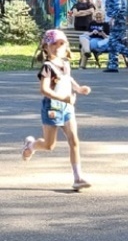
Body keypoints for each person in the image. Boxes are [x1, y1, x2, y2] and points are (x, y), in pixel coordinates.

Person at [21, 29, 93, 191]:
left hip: (67, 107)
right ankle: (31, 145)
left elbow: (68, 79)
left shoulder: (65, 64)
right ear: (46, 47)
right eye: (54, 44)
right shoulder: (47, 67)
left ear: (66, 45)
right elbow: (44, 90)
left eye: (61, 43)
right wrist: (63, 98)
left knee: (74, 141)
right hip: (52, 108)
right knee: (49, 145)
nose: (58, 47)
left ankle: (78, 178)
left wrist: (79, 89)